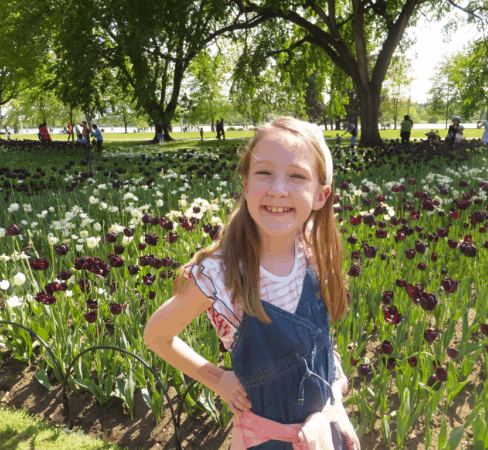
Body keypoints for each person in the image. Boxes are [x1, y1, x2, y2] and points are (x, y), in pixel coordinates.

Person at [144, 117, 360, 450]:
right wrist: (219, 380)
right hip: (265, 440)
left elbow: (322, 337)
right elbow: (157, 335)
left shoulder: (316, 256)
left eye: (297, 176)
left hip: (324, 432)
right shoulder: (221, 275)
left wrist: (333, 381)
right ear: (245, 185)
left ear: (320, 195)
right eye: (264, 173)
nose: (278, 188)